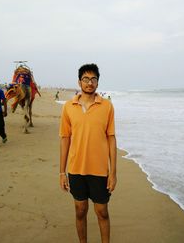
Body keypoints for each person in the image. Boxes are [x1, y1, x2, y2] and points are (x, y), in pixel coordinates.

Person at [59, 64, 117, 243]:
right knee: (80, 211)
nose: (89, 83)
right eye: (86, 79)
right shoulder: (69, 106)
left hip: (100, 170)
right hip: (76, 169)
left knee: (102, 212)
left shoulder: (107, 106)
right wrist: (62, 172)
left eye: (93, 79)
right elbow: (65, 139)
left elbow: (111, 139)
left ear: (97, 83)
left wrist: (113, 173)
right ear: (79, 82)